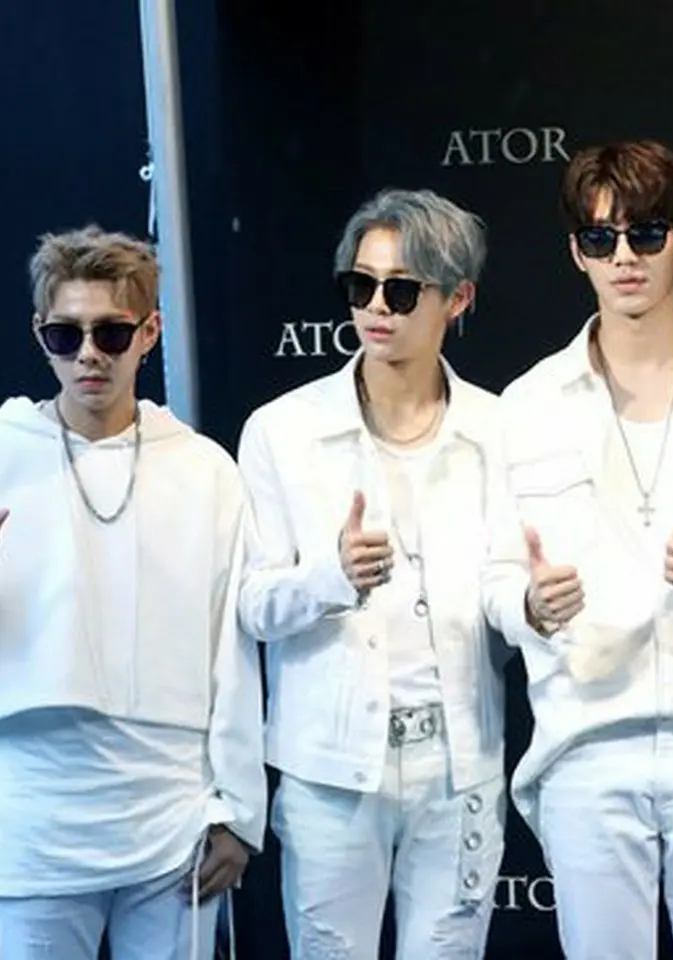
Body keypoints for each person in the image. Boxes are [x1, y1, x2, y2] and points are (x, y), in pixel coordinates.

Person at [482, 140, 673, 959]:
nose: (625, 258)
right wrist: (531, 605)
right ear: (577, 252)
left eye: (646, 234)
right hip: (586, 742)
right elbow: (496, 578)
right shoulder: (528, 404)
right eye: (601, 238)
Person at [236, 189, 508, 959]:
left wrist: (536, 606)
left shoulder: (499, 427)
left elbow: (508, 585)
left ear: (458, 299)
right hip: (330, 769)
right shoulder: (282, 430)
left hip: (459, 763)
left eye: (401, 289)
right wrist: (332, 577)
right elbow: (252, 604)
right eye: (361, 286)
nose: (376, 307)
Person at [0, 226, 266, 960]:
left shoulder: (205, 470)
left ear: (150, 332)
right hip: (33, 818)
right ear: (40, 334)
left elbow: (232, 646)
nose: (88, 354)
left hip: (171, 816)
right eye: (66, 335)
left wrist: (239, 809)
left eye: (111, 333)